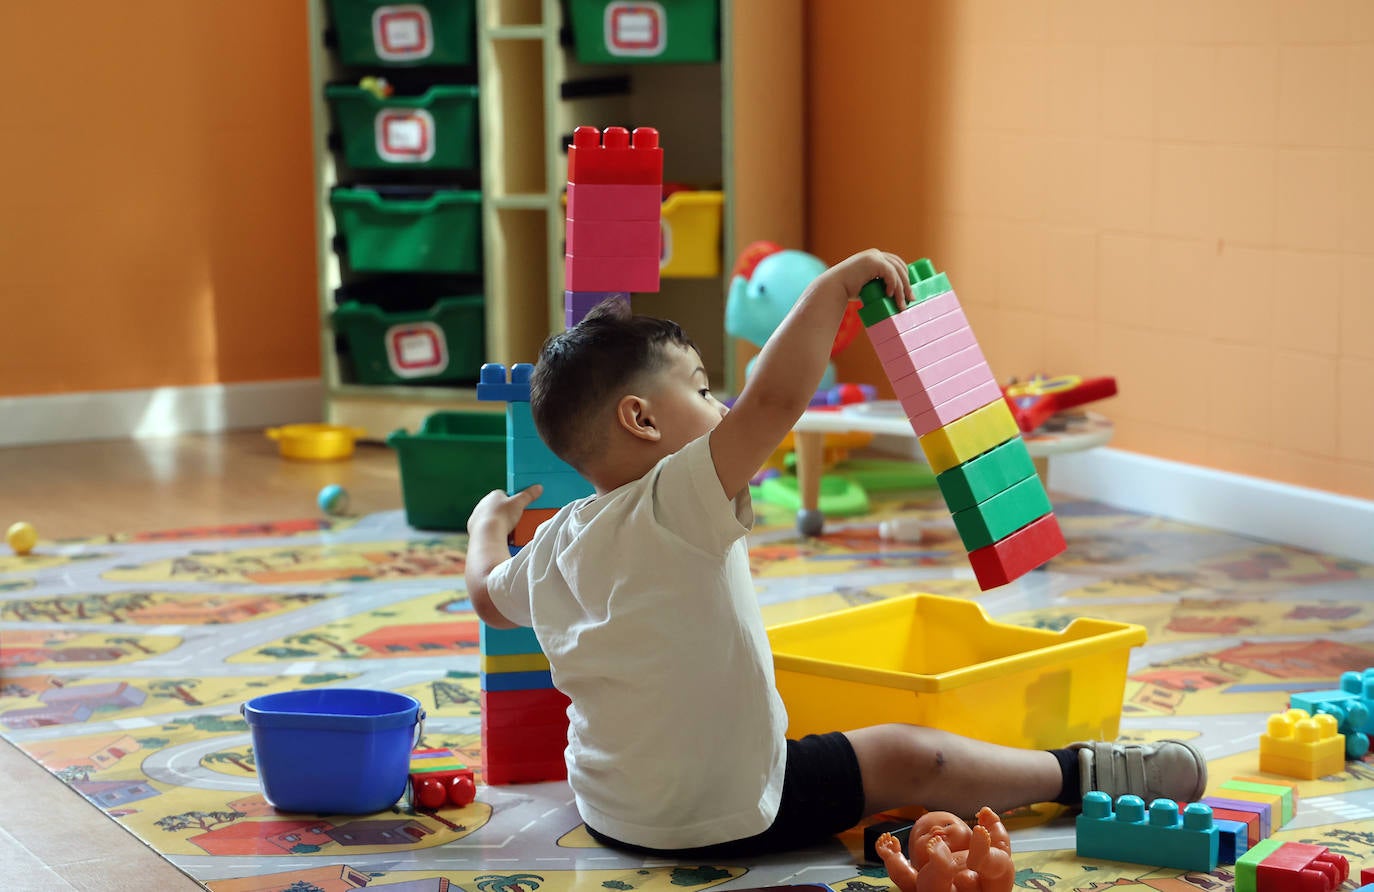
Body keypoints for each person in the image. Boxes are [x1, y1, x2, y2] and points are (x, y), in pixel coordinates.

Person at [465, 248, 1206, 858]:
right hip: (729, 814)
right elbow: (773, 400)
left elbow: (487, 597)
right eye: (702, 389)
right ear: (642, 420)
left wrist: (487, 525)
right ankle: (1080, 773)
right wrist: (835, 285)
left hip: (611, 812)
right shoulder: (674, 497)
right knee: (907, 753)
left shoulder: (555, 543)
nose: (722, 407)